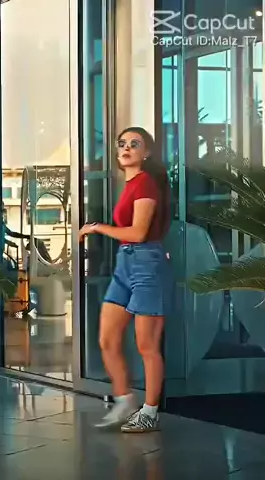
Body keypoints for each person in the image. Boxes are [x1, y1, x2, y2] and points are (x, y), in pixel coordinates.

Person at [79, 126, 172, 433]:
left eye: (135, 143)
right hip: (125, 264)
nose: (126, 148)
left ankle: (150, 412)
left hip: (147, 264)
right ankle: (124, 402)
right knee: (107, 338)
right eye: (122, 143)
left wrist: (96, 228)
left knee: (147, 345)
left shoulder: (145, 184)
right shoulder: (131, 183)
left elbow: (138, 233)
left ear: (146, 153)